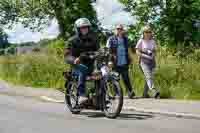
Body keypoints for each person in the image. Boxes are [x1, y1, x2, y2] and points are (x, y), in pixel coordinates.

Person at [64, 18, 100, 105]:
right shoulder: (72, 40)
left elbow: (98, 50)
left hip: (91, 64)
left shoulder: (93, 38)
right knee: (82, 69)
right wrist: (74, 60)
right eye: (82, 28)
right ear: (78, 29)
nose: (84, 29)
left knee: (102, 71)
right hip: (78, 65)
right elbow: (67, 55)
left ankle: (101, 95)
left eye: (86, 27)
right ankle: (81, 95)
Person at [106, 24, 135, 99]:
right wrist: (109, 61)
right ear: (115, 30)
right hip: (115, 61)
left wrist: (130, 58)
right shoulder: (111, 39)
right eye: (118, 29)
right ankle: (116, 93)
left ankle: (130, 92)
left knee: (126, 77)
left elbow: (128, 49)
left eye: (121, 29)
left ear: (123, 30)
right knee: (116, 78)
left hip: (124, 61)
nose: (119, 30)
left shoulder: (125, 39)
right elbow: (108, 51)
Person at [135, 25, 160, 98]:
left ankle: (144, 94)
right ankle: (154, 91)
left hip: (152, 61)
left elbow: (155, 50)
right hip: (143, 61)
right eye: (146, 32)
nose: (148, 33)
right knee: (148, 77)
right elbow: (137, 51)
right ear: (143, 33)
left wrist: (153, 55)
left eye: (149, 32)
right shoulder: (141, 41)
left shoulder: (152, 41)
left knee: (149, 77)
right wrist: (146, 56)